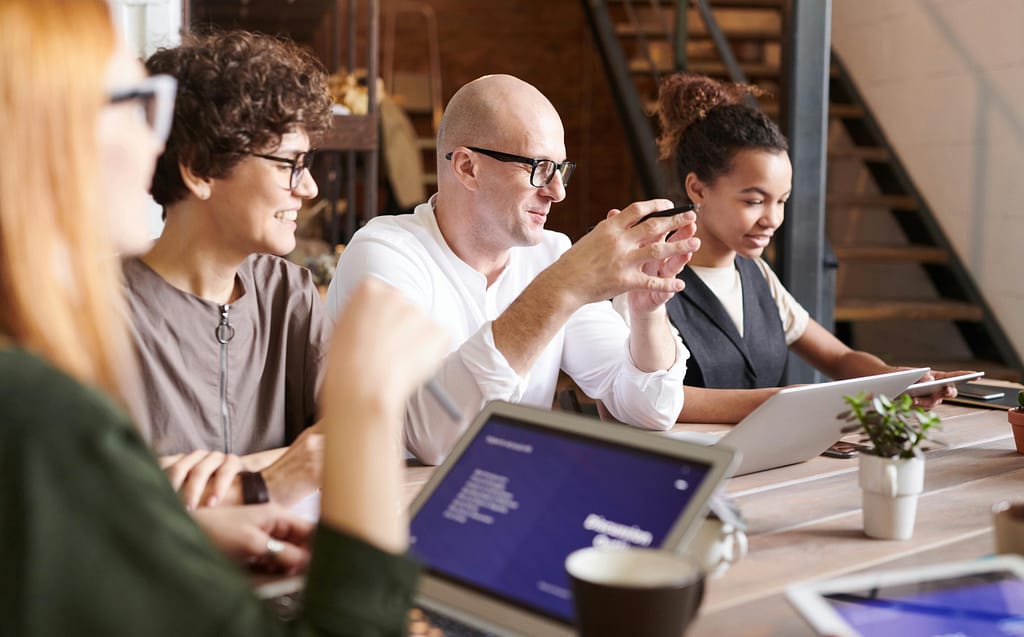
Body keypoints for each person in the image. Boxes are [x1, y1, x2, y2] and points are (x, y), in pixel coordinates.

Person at [0, 1, 447, 634]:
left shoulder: (288, 292)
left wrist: (198, 516)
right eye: (134, 102)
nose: (154, 135)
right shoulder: (54, 365)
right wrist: (360, 408)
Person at [326, 74, 699, 465]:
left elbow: (651, 410)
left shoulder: (553, 255)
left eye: (561, 169)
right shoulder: (386, 253)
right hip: (394, 513)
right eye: (539, 167)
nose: (558, 192)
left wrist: (646, 311)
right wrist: (561, 288)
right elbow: (433, 436)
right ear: (468, 168)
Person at [646, 73, 968, 423]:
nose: (772, 218)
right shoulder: (646, 276)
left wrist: (900, 380)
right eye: (754, 201)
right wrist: (782, 400)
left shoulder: (756, 274)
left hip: (769, 464)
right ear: (698, 189)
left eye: (781, 201)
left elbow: (840, 359)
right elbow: (645, 397)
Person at [124, 31, 335, 509]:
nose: (311, 189)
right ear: (199, 169)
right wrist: (274, 473)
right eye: (290, 165)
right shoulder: (98, 312)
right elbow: (102, 496)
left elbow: (348, 439)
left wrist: (232, 476)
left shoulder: (290, 292)